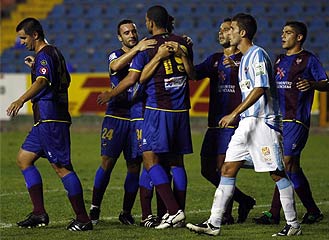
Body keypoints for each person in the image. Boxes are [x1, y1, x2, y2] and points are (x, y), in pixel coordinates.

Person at [186, 13, 302, 237]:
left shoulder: (258, 55)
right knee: (227, 169)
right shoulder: (244, 58)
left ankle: (293, 224)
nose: (226, 33)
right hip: (246, 124)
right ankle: (214, 223)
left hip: (263, 124)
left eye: (231, 29)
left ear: (242, 33)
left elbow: (260, 89)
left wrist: (234, 113)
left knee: (276, 173)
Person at [97, 5, 195, 229]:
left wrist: (111, 93)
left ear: (150, 23)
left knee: (150, 161)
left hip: (156, 109)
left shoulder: (146, 49)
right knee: (177, 163)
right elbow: (192, 75)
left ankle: (172, 211)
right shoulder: (184, 42)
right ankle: (170, 214)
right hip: (181, 110)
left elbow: (137, 80)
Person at [6, 17, 92, 231]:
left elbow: (43, 81)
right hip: (45, 120)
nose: (21, 42)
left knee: (61, 167)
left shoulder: (44, 55)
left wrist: (21, 99)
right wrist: (35, 68)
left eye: (23, 37)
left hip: (51, 118)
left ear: (35, 35)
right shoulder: (54, 53)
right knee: (24, 159)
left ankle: (83, 219)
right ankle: (39, 213)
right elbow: (65, 79)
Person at [253, 21, 329, 225]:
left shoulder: (308, 59)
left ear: (299, 37)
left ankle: (274, 213)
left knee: (286, 163)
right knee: (288, 167)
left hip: (296, 120)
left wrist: (312, 84)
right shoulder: (278, 60)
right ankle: (311, 210)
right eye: (282, 32)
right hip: (278, 120)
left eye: (288, 33)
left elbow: (326, 83)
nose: (282, 36)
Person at [89, 19, 156, 225]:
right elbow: (115, 66)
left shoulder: (143, 54)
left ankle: (126, 212)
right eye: (126, 33)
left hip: (137, 115)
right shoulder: (116, 54)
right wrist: (137, 48)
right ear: (120, 37)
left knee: (134, 166)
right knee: (107, 163)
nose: (131, 35)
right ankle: (94, 208)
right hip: (115, 116)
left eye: (133, 31)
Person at [193, 17, 255, 224]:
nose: (221, 33)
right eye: (220, 30)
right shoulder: (215, 59)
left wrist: (237, 67)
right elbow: (193, 74)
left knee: (222, 168)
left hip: (233, 122)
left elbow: (259, 84)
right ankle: (244, 200)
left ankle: (225, 214)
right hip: (214, 124)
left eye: (227, 29)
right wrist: (186, 51)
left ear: (237, 33)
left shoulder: (247, 58)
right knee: (206, 170)